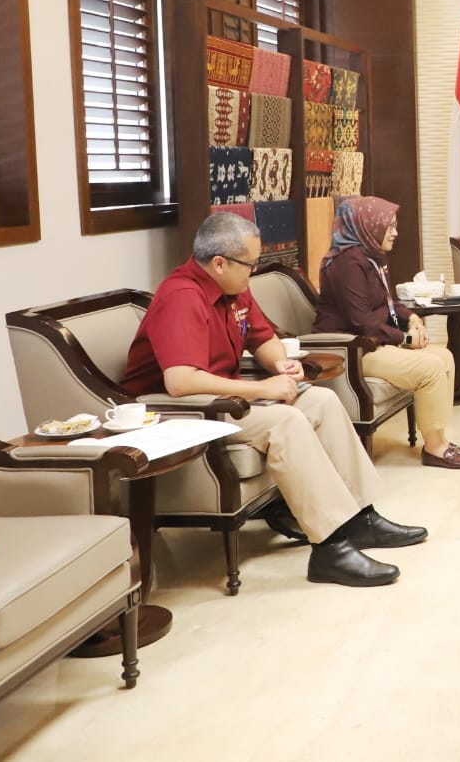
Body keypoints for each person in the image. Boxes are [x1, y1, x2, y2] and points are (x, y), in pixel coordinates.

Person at [123, 212, 427, 588]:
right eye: (250, 264)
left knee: (321, 402)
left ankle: (360, 518)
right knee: (288, 421)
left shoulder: (234, 288)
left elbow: (261, 338)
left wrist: (282, 365)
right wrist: (265, 389)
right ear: (219, 263)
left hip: (223, 399)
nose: (253, 272)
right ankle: (330, 549)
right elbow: (182, 381)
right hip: (181, 414)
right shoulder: (182, 296)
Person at [313, 196, 460, 470]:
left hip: (374, 342)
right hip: (351, 350)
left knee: (444, 357)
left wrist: (412, 318)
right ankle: (435, 449)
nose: (395, 233)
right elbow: (362, 320)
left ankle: (439, 440)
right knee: (429, 367)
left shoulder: (371, 257)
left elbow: (389, 303)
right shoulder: (348, 263)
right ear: (368, 227)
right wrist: (404, 338)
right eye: (389, 227)